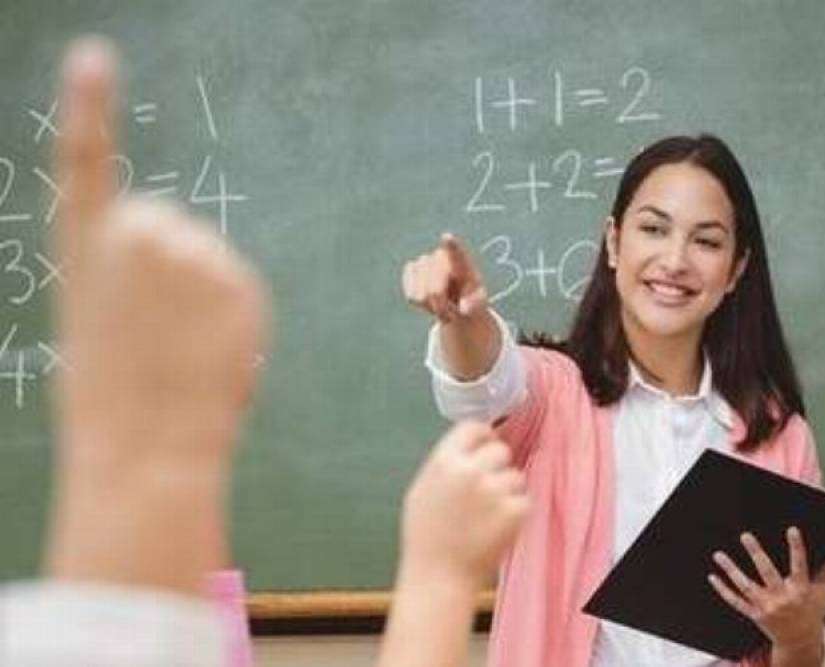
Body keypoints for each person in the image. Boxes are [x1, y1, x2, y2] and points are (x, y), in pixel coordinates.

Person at [2, 37, 529, 667]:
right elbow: (492, 379)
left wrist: (145, 472)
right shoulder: (558, 379)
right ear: (609, 242)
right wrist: (438, 581)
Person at [402, 135, 825, 667]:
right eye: (654, 229)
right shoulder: (552, 393)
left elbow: (797, 648)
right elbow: (483, 382)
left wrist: (798, 637)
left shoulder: (780, 437)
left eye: (706, 241)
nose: (675, 260)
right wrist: (464, 319)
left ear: (736, 270)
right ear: (615, 243)